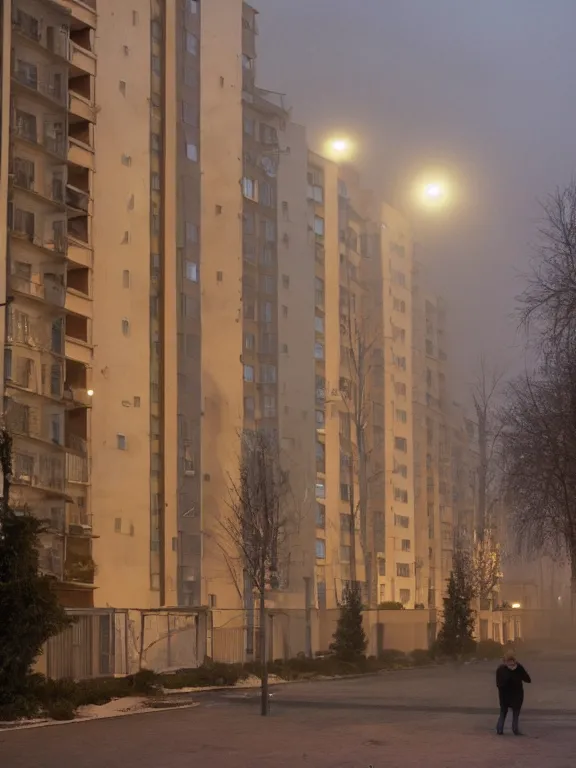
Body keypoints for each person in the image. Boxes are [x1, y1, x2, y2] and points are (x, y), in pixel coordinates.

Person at [496, 649, 531, 735]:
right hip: (517, 694)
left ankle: (499, 729)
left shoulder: (501, 669)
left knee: (503, 712)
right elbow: (528, 679)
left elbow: (498, 683)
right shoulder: (519, 668)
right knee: (515, 713)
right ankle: (515, 729)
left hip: (504, 695)